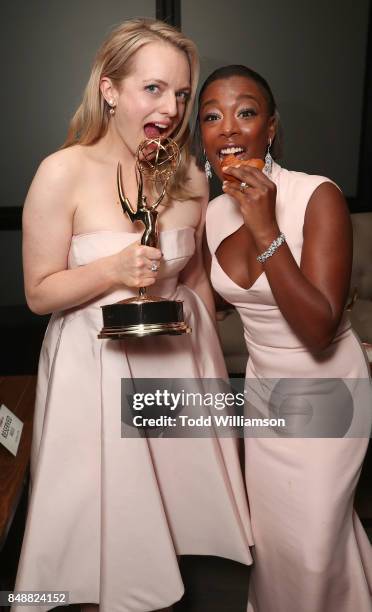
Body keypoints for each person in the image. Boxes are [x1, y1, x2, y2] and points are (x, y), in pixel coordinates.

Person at [15, 26, 253, 612]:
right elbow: (39, 295)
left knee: (164, 520)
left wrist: (212, 384)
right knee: (99, 525)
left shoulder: (190, 177)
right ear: (110, 90)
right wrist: (116, 269)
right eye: (153, 89)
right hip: (90, 370)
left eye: (180, 93)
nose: (171, 109)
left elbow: (194, 280)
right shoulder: (61, 172)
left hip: (173, 363)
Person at [194, 64, 372, 611]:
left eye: (245, 112)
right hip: (265, 396)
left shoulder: (318, 196)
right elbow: (225, 297)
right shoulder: (215, 213)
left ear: (271, 127)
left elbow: (318, 329)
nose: (228, 127)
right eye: (212, 116)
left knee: (316, 544)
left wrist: (266, 225)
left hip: (328, 394)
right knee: (278, 547)